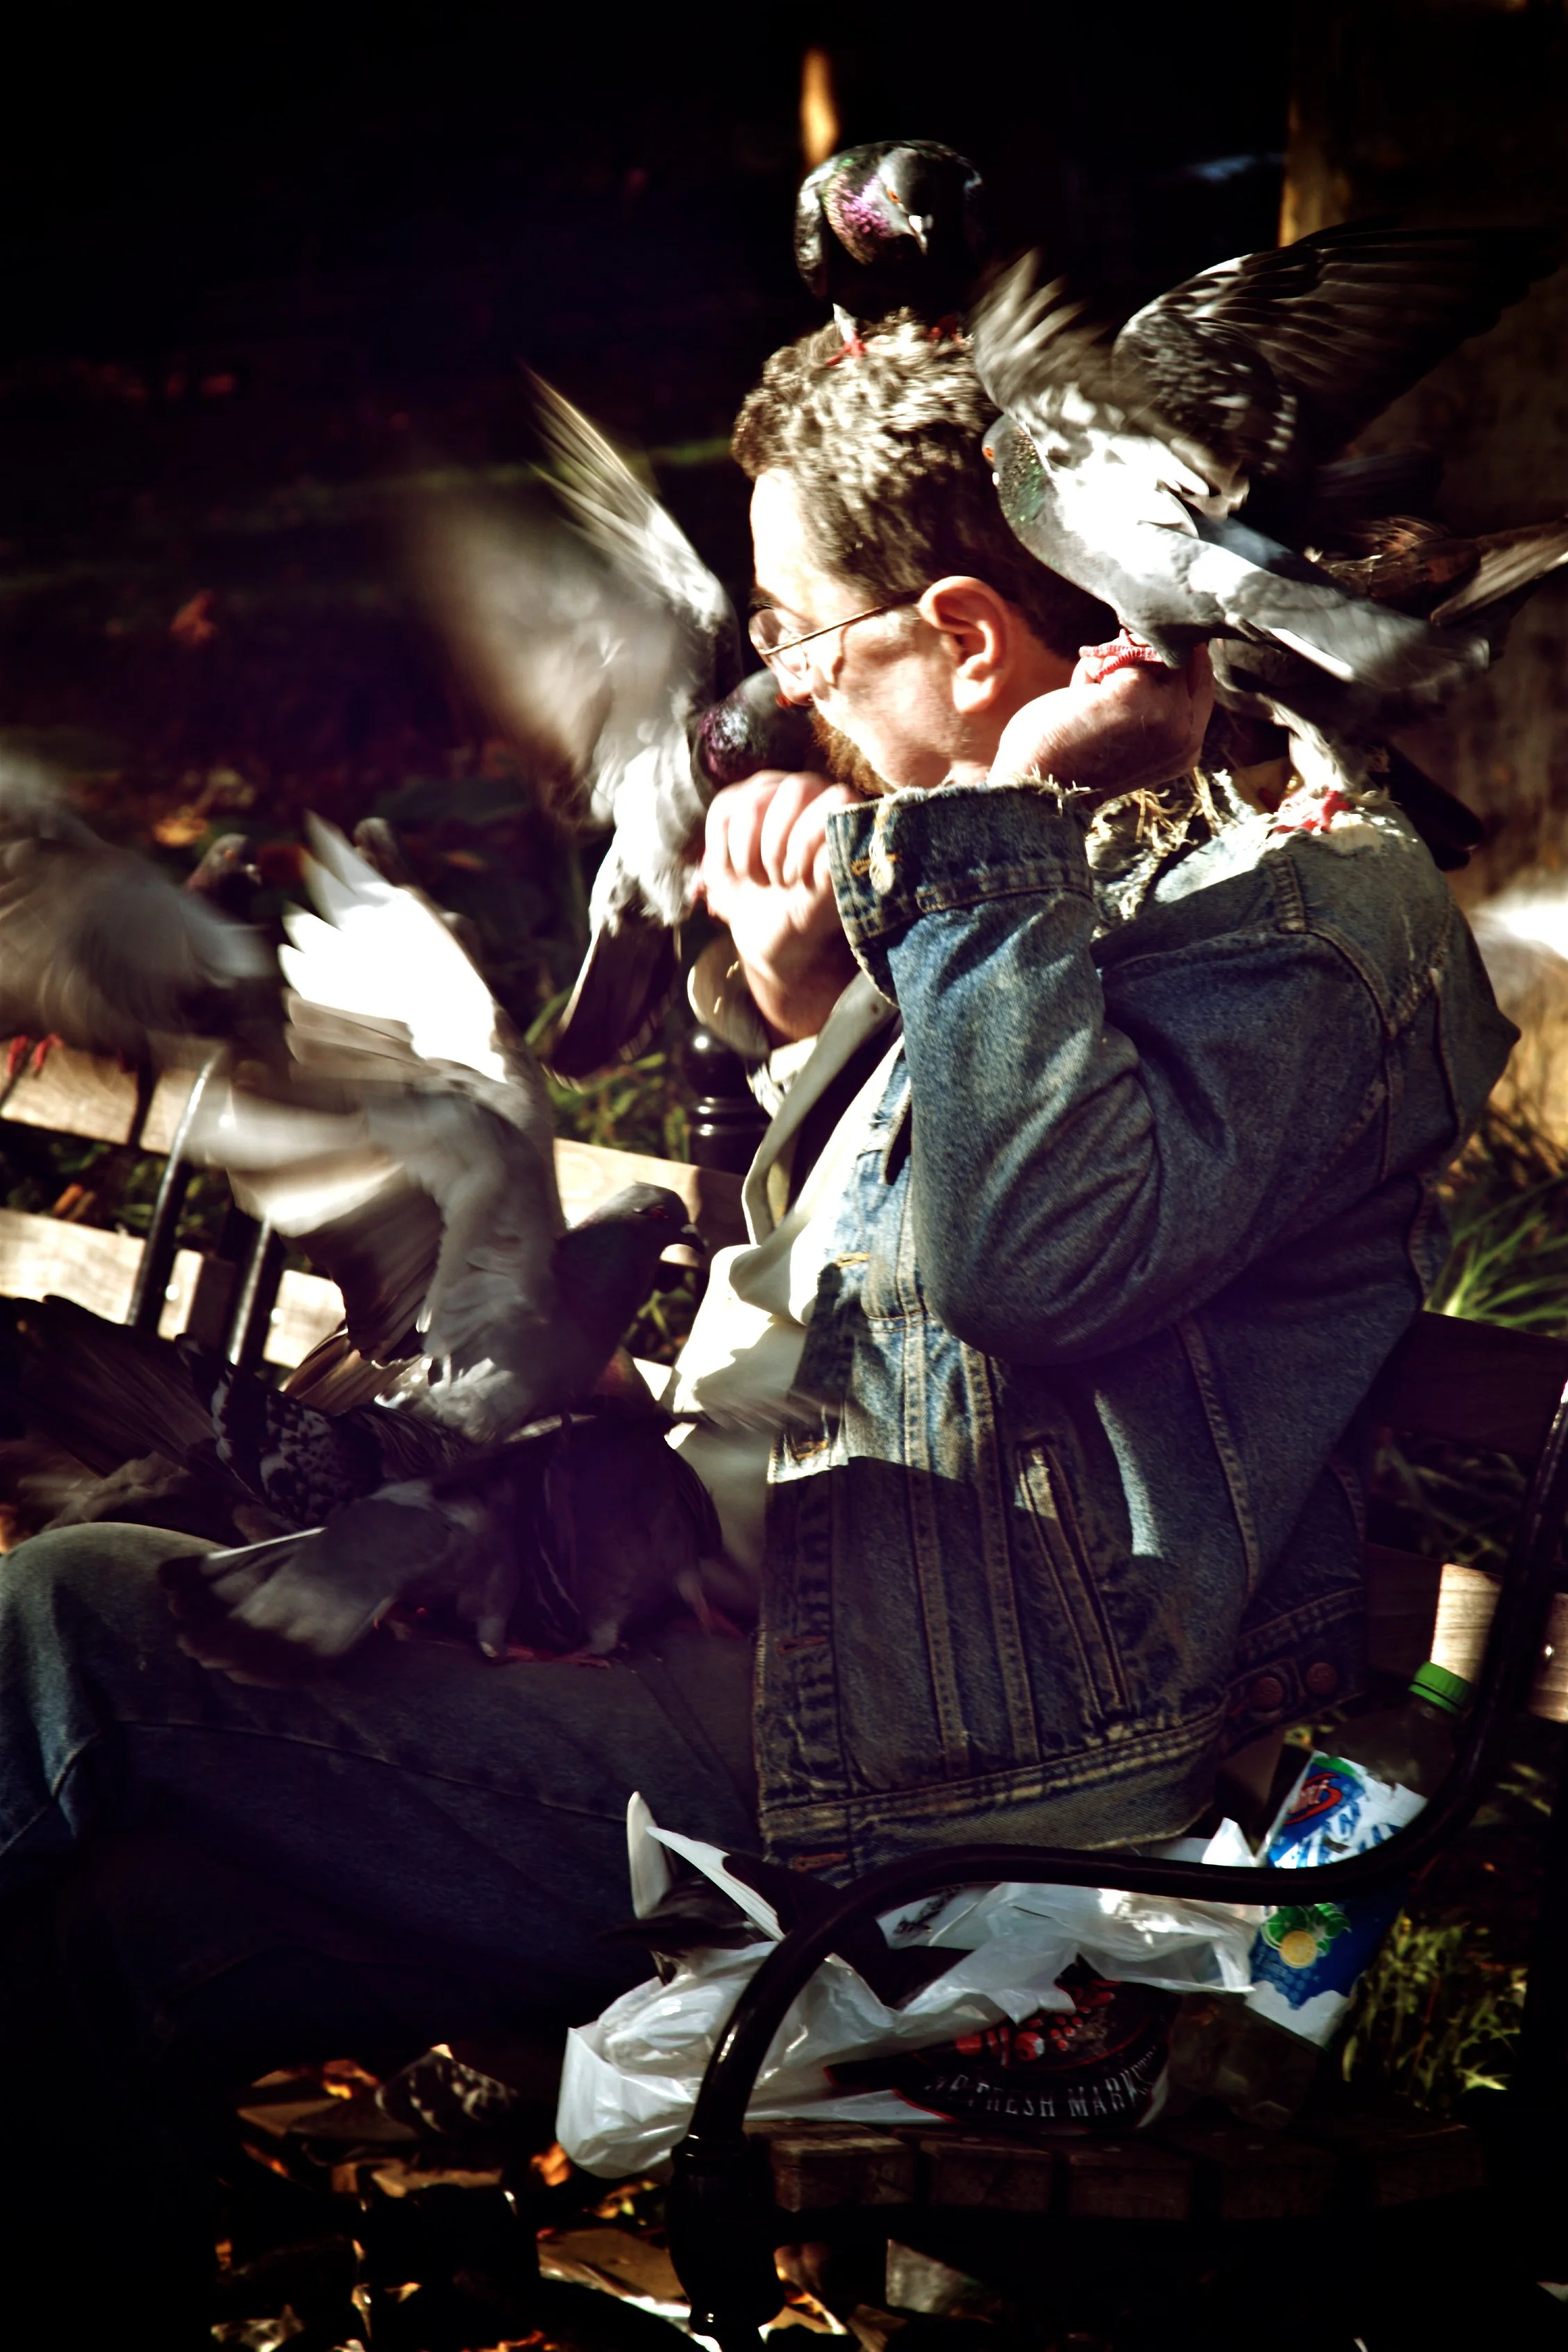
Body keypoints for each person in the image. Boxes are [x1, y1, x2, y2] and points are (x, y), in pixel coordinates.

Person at [0, 317, 1512, 2337]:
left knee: (80, 1615)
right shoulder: (1046, 888)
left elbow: (1027, 1265)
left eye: (806, 636)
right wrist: (793, 1024)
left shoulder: (1297, 915)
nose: (775, 694)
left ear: (968, 635)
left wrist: (975, 856)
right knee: (91, 1955)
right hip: (788, 1703)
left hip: (938, 1817)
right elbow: (858, 1323)